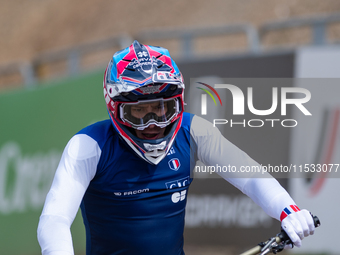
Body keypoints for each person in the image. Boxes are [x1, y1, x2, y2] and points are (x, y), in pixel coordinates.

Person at [37, 40, 315, 255]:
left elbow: (249, 175)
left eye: (162, 109)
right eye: (139, 112)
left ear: (179, 103)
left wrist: (288, 210)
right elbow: (55, 219)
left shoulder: (194, 131)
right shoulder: (88, 146)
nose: (152, 123)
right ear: (115, 108)